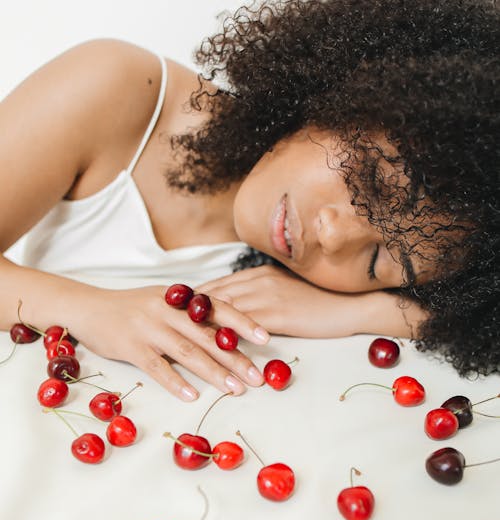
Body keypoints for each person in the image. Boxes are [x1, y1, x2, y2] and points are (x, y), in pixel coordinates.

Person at [0, 0, 498, 401]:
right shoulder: (116, 88)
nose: (334, 234)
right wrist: (96, 312)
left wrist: (370, 312)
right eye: (367, 185)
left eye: (376, 261)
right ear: (348, 94)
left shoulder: (333, 291)